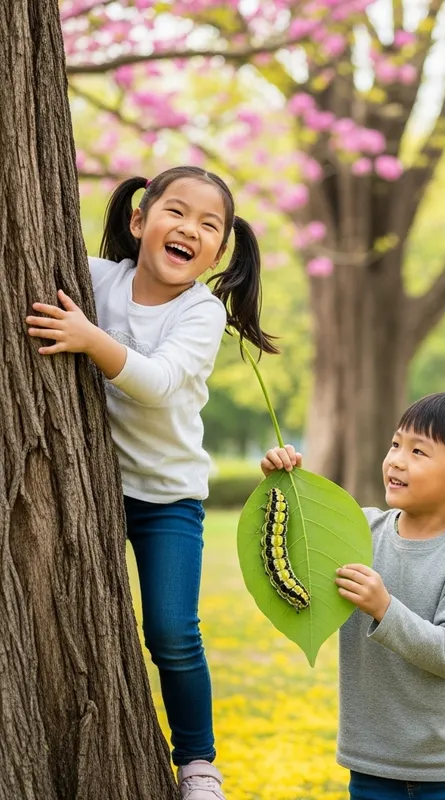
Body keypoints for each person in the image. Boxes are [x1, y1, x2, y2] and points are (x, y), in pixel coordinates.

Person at [26, 166, 278, 800]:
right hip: (89, 489)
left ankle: (197, 762)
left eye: (208, 225)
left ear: (217, 252)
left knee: (171, 630)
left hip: (167, 499)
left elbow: (159, 382)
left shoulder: (200, 313)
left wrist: (88, 339)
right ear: (139, 221)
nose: (189, 228)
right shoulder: (97, 279)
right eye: (176, 212)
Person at [260, 391, 445, 800]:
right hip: (371, 765)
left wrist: (385, 608)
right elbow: (290, 550)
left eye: (418, 451)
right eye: (396, 444)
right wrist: (282, 480)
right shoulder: (360, 532)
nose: (396, 459)